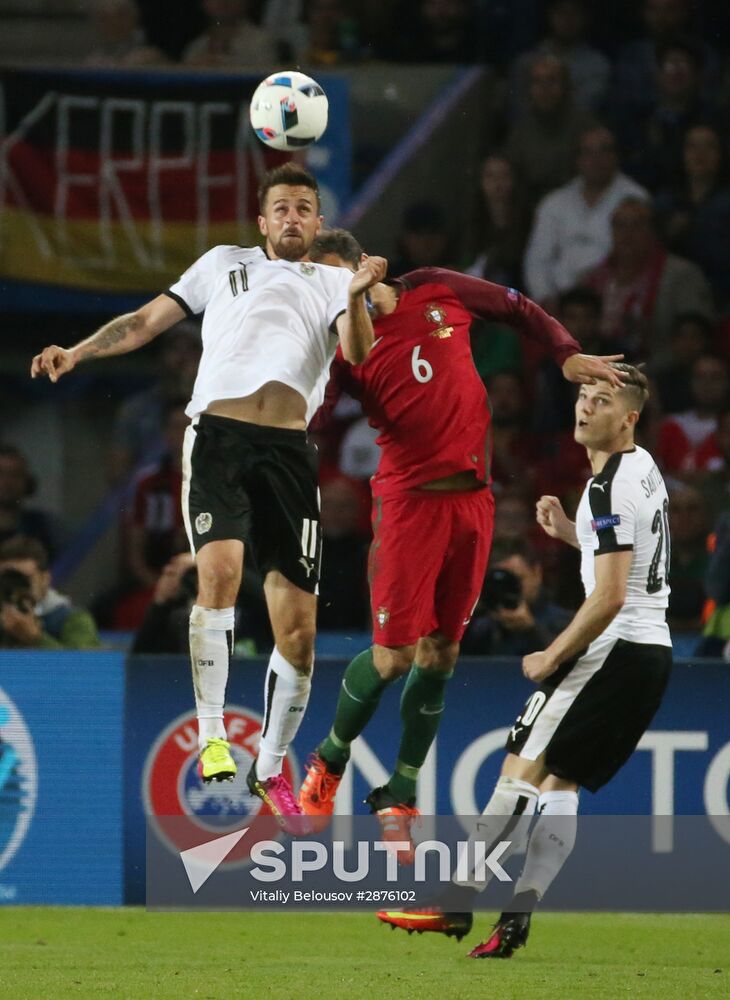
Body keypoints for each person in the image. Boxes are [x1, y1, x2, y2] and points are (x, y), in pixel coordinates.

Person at [30, 162, 386, 830]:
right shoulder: (222, 263)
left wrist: (363, 291)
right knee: (217, 573)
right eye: (280, 207)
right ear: (261, 221)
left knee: (299, 635)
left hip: (287, 452)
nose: (291, 218)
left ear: (317, 221)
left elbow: (359, 357)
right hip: (218, 436)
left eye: (303, 208)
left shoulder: (337, 280)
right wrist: (77, 352)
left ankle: (272, 762)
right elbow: (144, 320)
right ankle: (215, 733)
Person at [297, 227, 627, 851]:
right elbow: (311, 414)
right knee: (393, 657)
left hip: (473, 501)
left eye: (339, 279)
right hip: (408, 504)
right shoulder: (341, 349)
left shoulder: (436, 287)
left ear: (366, 264)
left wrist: (565, 353)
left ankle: (400, 790)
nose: (338, 295)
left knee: (442, 654)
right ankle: (330, 758)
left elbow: (515, 306)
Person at [379, 362, 673, 958]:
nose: (585, 408)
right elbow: (634, 561)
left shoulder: (609, 485)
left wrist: (551, 653)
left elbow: (612, 596)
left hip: (611, 647)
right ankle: (518, 915)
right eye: (583, 396)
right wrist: (575, 533)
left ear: (630, 418)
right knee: (560, 785)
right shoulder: (642, 470)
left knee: (520, 773)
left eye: (601, 401)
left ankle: (456, 902)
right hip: (651, 652)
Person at [524, 126, 648, 306]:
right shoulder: (554, 203)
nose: (596, 160)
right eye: (588, 152)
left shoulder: (635, 198)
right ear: (578, 159)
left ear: (615, 156)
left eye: (603, 151)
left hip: (612, 300)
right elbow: (537, 259)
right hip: (559, 303)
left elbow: (636, 258)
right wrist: (545, 298)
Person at [583, 197, 715, 364]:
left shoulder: (682, 276)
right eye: (620, 226)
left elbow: (695, 339)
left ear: (652, 231)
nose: (627, 234)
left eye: (637, 225)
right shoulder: (592, 278)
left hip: (659, 370)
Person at [504, 54, 596, 206]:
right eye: (538, 82)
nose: (544, 89)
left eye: (552, 81)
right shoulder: (520, 131)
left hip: (577, 209)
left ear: (565, 86)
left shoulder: (586, 128)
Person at [461, 538, 573, 657]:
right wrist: (472, 611)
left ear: (536, 573)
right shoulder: (480, 626)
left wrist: (531, 630)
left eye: (515, 580)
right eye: (500, 582)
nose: (507, 588)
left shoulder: (567, 623)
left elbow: (569, 665)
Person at [0, 537, 100, 649]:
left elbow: (85, 665)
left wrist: (37, 639)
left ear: (45, 579)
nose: (14, 587)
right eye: (6, 579)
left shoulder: (73, 620)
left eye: (22, 579)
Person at [0, 445, 63, 558]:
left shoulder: (44, 525)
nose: (7, 482)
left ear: (27, 482)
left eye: (15, 475)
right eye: (1, 473)